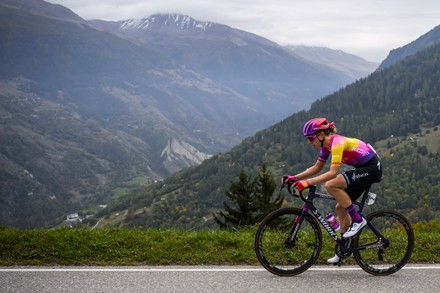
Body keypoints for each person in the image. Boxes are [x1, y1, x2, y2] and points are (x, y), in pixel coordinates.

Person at [283, 118, 382, 264]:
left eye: (311, 138)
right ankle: (344, 249)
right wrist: (295, 177)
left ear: (321, 135)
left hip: (372, 169)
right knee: (340, 208)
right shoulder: (326, 146)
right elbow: (317, 168)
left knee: (331, 184)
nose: (309, 142)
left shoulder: (337, 143)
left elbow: (332, 173)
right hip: (363, 169)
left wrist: (307, 183)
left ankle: (358, 220)